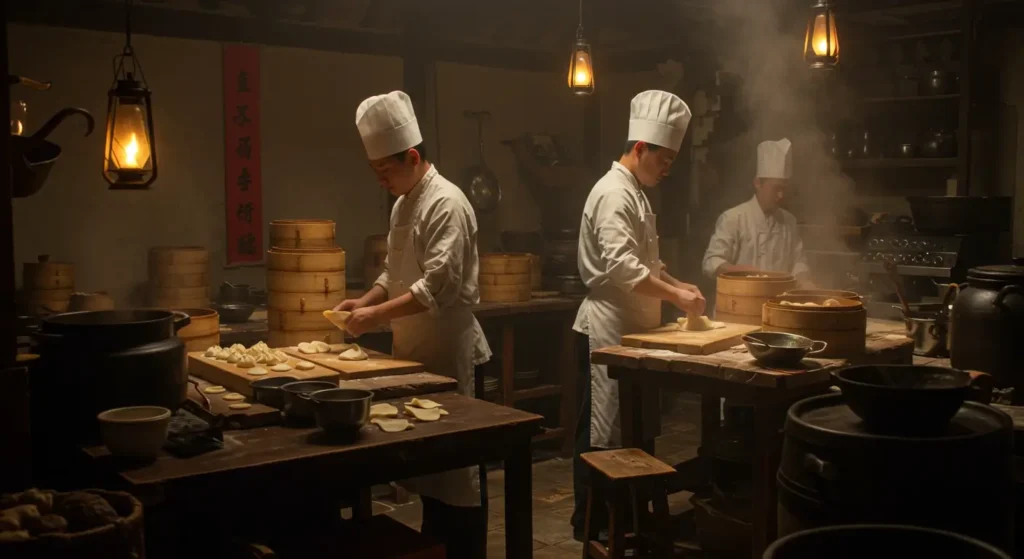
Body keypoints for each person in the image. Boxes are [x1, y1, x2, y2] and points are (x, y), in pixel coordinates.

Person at [336, 90, 491, 559]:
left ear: (414, 156)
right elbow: (396, 273)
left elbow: (435, 288)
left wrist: (374, 317)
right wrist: (363, 300)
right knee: (430, 474)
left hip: (450, 349)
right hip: (415, 350)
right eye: (376, 173)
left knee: (459, 475)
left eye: (386, 171)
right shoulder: (404, 203)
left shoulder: (448, 203)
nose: (381, 180)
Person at [571, 90, 705, 540]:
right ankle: (594, 522)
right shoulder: (613, 193)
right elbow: (623, 268)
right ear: (640, 148)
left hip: (633, 328)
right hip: (607, 326)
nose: (667, 169)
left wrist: (678, 284)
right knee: (603, 431)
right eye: (663, 159)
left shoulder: (638, 193)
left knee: (634, 428)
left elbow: (646, 262)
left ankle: (629, 514)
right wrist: (675, 297)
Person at [701, 138, 811, 284]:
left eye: (784, 189)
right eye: (776, 188)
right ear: (758, 183)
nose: (780, 195)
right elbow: (711, 262)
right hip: (740, 301)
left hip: (776, 302)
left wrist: (807, 282)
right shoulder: (733, 218)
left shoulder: (789, 221)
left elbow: (798, 262)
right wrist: (740, 271)